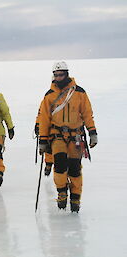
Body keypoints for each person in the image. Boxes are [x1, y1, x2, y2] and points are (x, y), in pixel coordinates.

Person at [38, 61, 98, 212]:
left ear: (67, 74)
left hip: (76, 136)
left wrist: (92, 132)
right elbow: (44, 119)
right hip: (57, 135)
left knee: (75, 168)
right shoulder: (49, 96)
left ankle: (76, 197)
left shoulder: (79, 92)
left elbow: (87, 113)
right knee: (59, 164)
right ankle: (62, 192)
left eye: (61, 74)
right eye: (56, 75)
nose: (58, 77)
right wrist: (43, 140)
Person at [35, 102, 53, 176]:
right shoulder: (48, 98)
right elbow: (41, 113)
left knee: (48, 147)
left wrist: (37, 124)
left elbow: (41, 114)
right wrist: (38, 124)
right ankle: (49, 164)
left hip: (50, 128)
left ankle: (49, 164)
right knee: (48, 147)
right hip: (50, 128)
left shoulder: (47, 98)